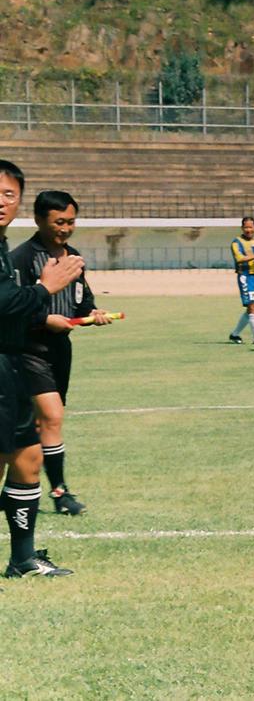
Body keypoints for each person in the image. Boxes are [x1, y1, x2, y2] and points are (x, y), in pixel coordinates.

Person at [0, 161, 84, 577]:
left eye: (9, 193)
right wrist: (43, 291)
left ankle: (22, 559)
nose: (2, 201)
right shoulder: (16, 255)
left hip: (10, 365)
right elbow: (4, 305)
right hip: (7, 363)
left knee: (28, 458)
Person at [11, 191, 113, 517]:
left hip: (60, 350)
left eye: (70, 222)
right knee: (52, 418)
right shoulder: (22, 259)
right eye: (58, 222)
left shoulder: (75, 257)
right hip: (28, 350)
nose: (65, 228)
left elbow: (82, 301)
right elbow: (12, 307)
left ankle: (12, 489)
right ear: (39, 220)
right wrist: (43, 319)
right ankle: (60, 493)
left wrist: (94, 313)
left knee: (37, 425)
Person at [229, 216, 254, 346]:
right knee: (253, 306)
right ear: (242, 228)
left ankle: (234, 334)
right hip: (245, 276)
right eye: (246, 227)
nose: (248, 230)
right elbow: (239, 259)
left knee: (252, 308)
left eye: (250, 227)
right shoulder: (237, 242)